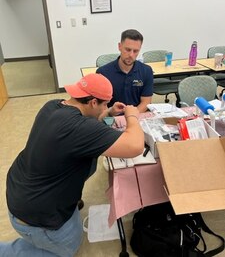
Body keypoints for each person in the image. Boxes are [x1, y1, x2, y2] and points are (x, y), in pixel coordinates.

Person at [0, 73, 144, 257]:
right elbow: (135, 145)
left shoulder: (53, 105)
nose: (106, 107)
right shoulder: (78, 128)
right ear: (93, 102)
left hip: (21, 189)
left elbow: (86, 123)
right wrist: (132, 116)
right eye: (104, 104)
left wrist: (107, 113)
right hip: (36, 214)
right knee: (69, 248)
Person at [96, 29, 154, 113]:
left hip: (137, 115)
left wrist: (131, 117)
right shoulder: (103, 73)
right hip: (113, 117)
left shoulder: (146, 71)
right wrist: (111, 113)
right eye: (127, 49)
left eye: (135, 51)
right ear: (119, 46)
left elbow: (146, 102)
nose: (131, 55)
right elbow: (100, 106)